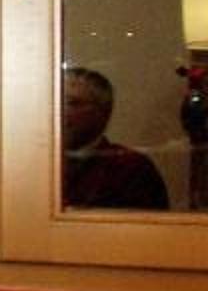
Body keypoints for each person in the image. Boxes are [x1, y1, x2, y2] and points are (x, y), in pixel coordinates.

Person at [63, 66, 170, 210]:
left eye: (72, 103)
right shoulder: (39, 162)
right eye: (55, 103)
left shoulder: (131, 169)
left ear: (102, 112)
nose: (60, 111)